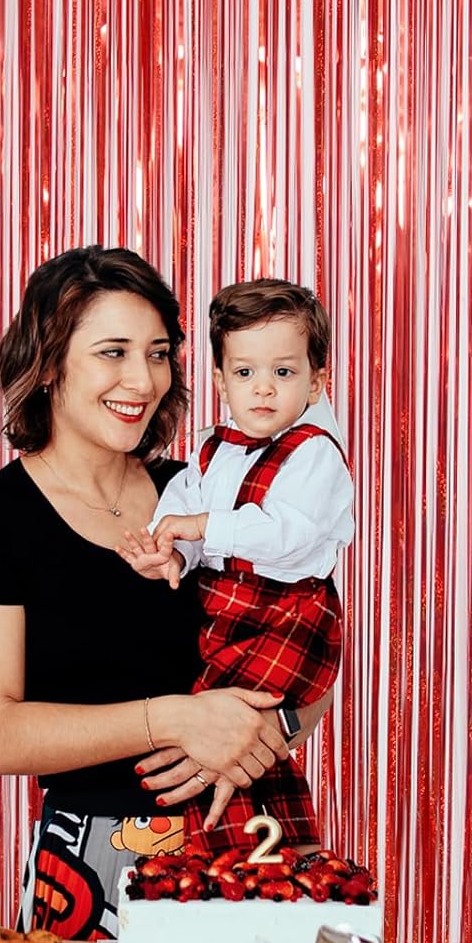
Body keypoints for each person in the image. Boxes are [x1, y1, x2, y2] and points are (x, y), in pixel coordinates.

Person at [0, 246, 321, 941]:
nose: (142, 380)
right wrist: (175, 721)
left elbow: (307, 633)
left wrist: (268, 732)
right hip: (94, 865)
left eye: (158, 354)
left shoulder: (204, 495)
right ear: (48, 364)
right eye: (113, 352)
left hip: (258, 840)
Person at [119, 280, 353, 856]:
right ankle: (277, 849)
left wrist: (202, 526)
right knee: (232, 726)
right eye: (245, 373)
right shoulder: (211, 450)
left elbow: (287, 534)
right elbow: (182, 512)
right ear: (221, 382)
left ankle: (216, 841)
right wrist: (172, 552)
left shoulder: (314, 452)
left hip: (289, 613)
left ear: (316, 381)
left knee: (222, 718)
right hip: (226, 610)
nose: (264, 389)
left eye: (283, 372)